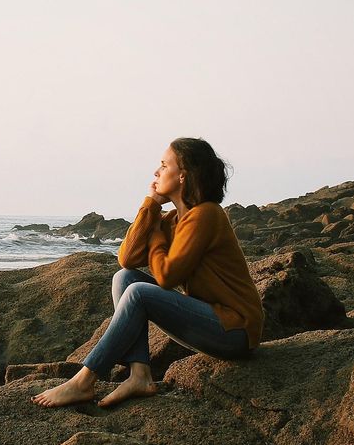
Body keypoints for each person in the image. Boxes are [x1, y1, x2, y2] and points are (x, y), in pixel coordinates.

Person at [32, 137, 263, 408]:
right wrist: (152, 204)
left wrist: (155, 237)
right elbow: (127, 259)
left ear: (182, 176)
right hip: (209, 319)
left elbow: (166, 276)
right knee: (124, 279)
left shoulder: (207, 215)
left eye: (164, 165)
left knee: (139, 293)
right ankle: (139, 374)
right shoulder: (172, 220)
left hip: (235, 330)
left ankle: (84, 381)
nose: (156, 172)